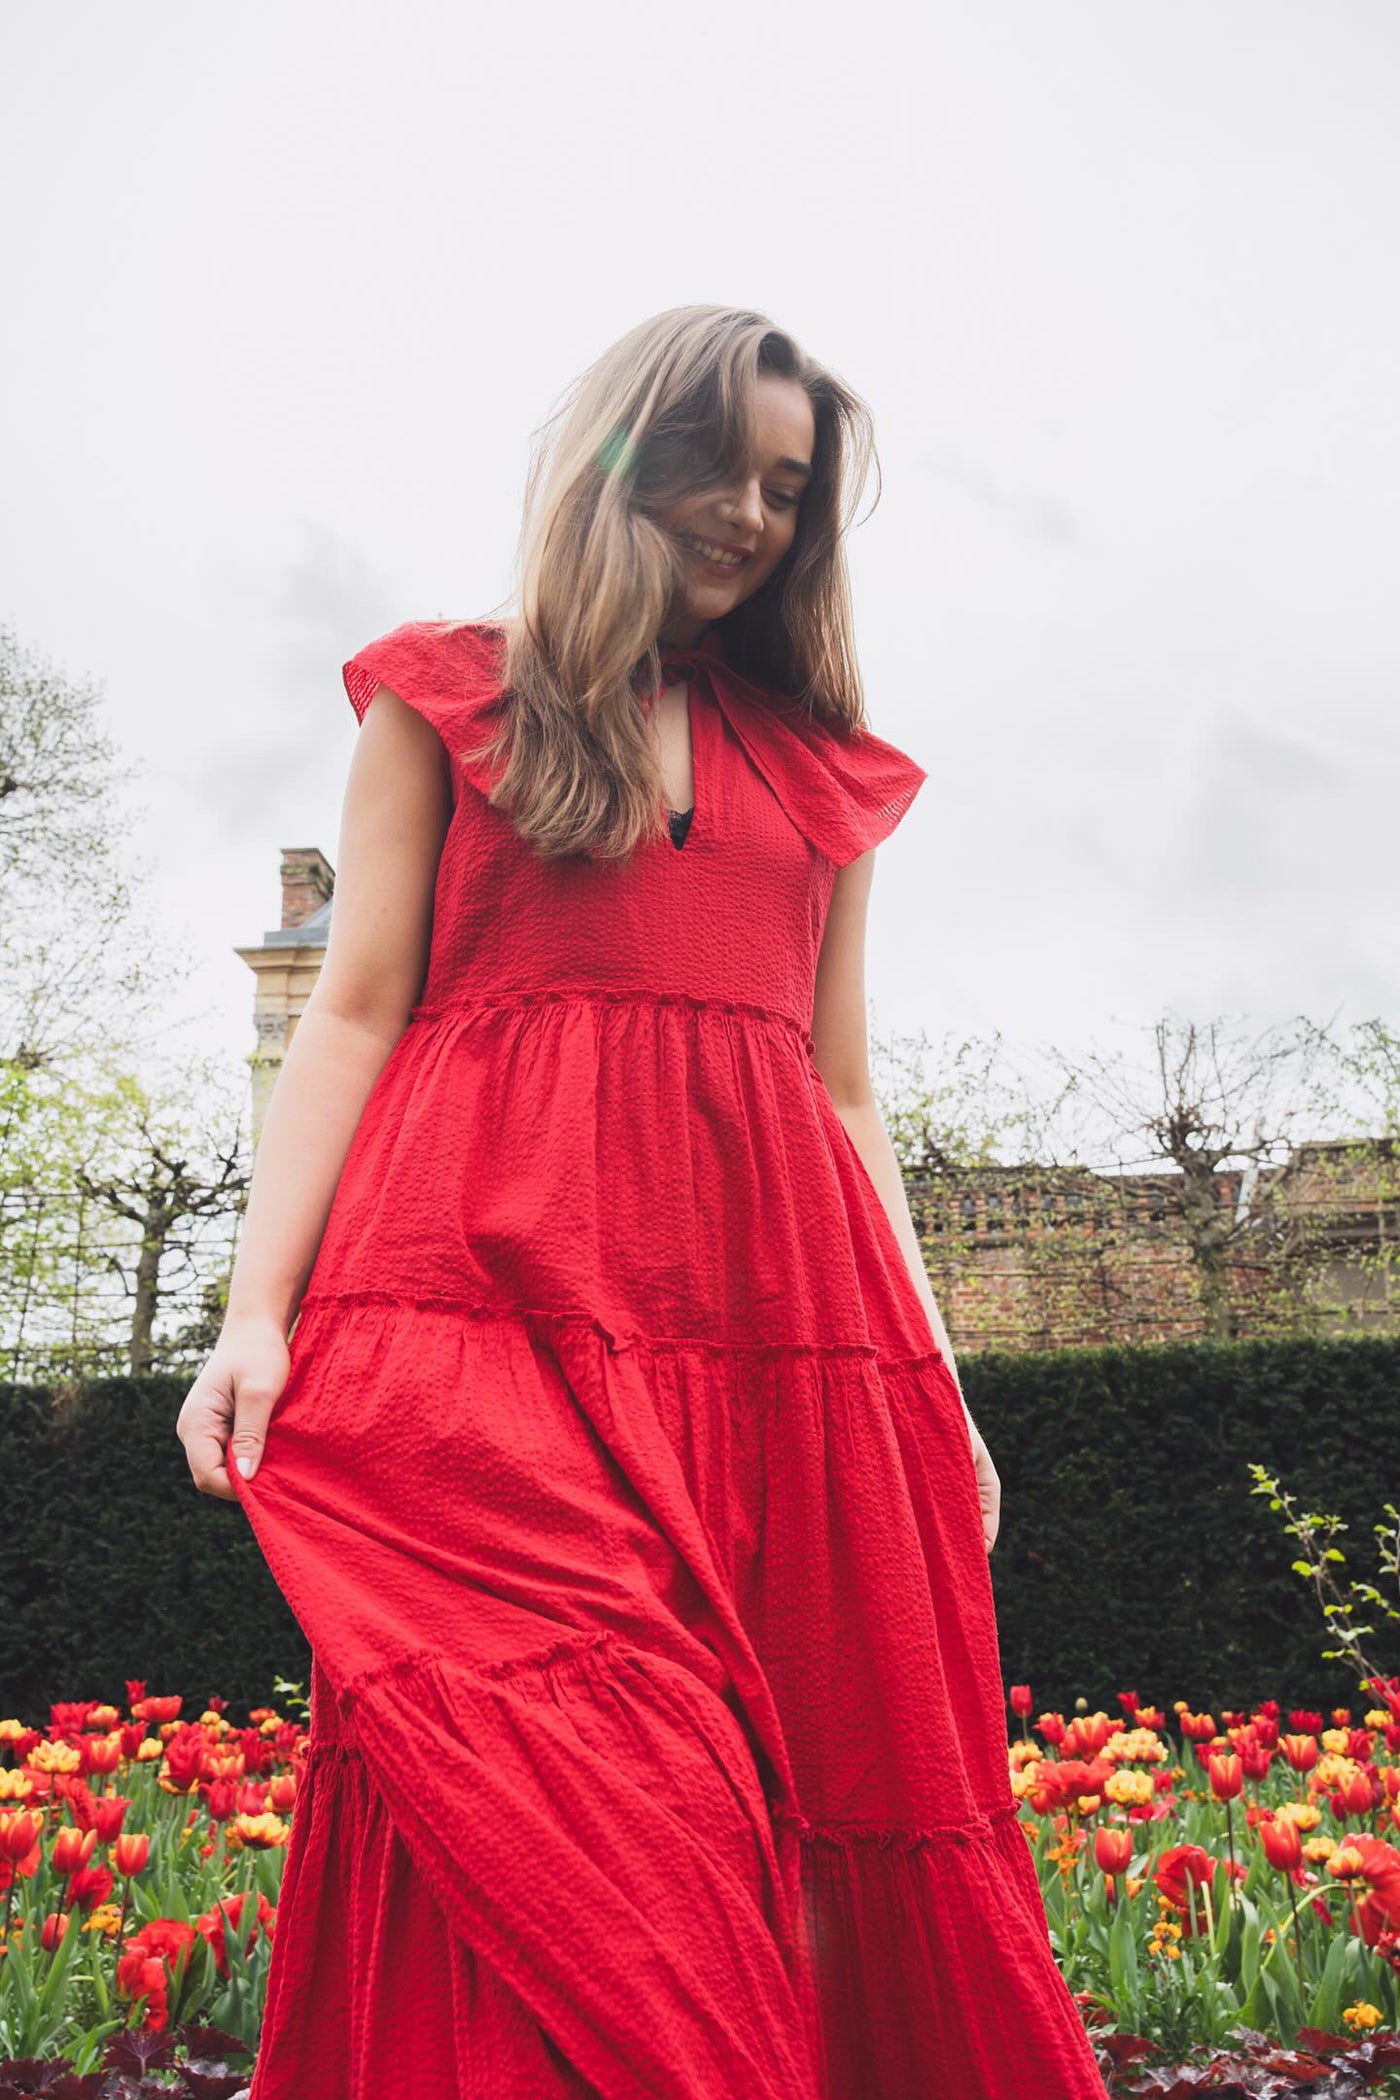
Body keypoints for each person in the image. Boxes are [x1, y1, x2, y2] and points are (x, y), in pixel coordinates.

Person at [178, 305, 1108, 2099]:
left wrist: (934, 1379)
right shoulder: (445, 699)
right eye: (720, 462)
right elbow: (354, 1009)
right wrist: (249, 1313)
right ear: (620, 451)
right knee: (582, 1789)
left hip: (768, 1343)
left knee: (805, 1788)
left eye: (788, 485)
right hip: (473, 1315)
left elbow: (841, 1088)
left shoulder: (823, 770)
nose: (752, 513)